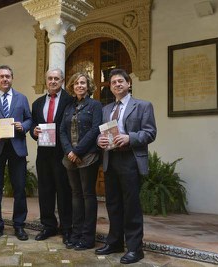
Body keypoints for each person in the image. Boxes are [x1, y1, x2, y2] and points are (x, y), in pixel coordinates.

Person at [95, 68, 157, 264]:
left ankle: (134, 248)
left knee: (131, 206)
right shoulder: (106, 109)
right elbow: (102, 133)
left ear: (129, 84)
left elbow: (150, 132)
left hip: (130, 158)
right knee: (113, 203)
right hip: (110, 159)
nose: (117, 85)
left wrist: (129, 137)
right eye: (113, 82)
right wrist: (100, 141)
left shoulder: (143, 106)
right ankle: (114, 242)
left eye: (120, 81)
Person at [0, 65, 32, 242]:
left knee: (19, 188)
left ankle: (19, 226)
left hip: (17, 148)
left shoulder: (22, 98)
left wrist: (23, 126)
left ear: (12, 78)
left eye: (8, 76)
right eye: (1, 76)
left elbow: (29, 119)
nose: (5, 79)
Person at [60, 72, 102, 251]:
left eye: (83, 83)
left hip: (88, 157)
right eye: (76, 83)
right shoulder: (69, 106)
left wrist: (77, 150)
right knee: (75, 196)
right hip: (70, 159)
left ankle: (87, 238)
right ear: (72, 86)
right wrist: (69, 151)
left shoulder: (95, 105)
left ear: (88, 86)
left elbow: (95, 130)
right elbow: (62, 130)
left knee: (87, 196)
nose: (79, 85)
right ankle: (75, 234)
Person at [30, 68, 72, 244]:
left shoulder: (70, 101)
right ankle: (48, 225)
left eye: (56, 78)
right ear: (45, 81)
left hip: (62, 153)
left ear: (62, 81)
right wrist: (34, 131)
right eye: (50, 78)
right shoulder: (37, 103)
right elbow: (33, 125)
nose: (53, 81)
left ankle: (67, 228)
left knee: (64, 191)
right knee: (45, 190)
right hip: (44, 153)